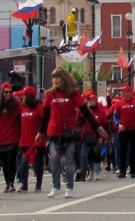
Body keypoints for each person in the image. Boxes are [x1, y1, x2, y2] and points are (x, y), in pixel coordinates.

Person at [38, 68, 103, 199]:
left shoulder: (73, 93)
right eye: (54, 78)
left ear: (63, 79)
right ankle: (56, 186)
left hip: (70, 132)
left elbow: (85, 111)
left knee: (68, 160)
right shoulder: (50, 94)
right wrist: (41, 132)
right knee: (54, 158)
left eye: (58, 77)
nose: (55, 80)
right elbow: (45, 114)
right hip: (53, 131)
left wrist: (97, 127)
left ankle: (69, 187)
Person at [0, 84, 22, 193]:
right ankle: (8, 183)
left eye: (10, 92)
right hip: (0, 138)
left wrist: (22, 134)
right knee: (4, 163)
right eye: (6, 92)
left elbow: (20, 120)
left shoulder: (16, 105)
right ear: (2, 93)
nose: (8, 94)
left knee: (11, 160)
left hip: (13, 136)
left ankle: (11, 182)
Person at [16, 86, 44, 192]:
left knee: (38, 163)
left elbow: (44, 121)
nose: (22, 97)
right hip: (25, 141)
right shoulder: (22, 108)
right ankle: (24, 184)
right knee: (23, 162)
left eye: (24, 95)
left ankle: (38, 184)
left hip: (37, 142)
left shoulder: (39, 108)